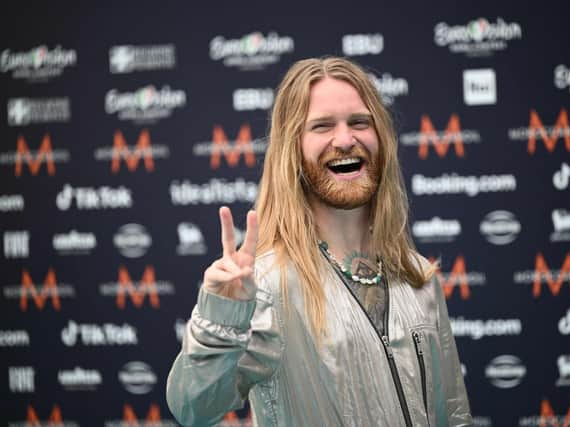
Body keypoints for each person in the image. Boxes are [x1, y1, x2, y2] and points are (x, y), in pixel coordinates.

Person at [166, 57, 472, 426]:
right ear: (292, 150)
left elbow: (454, 415)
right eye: (322, 126)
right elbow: (193, 407)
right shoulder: (267, 285)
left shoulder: (419, 276)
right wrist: (221, 317)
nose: (345, 140)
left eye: (360, 122)